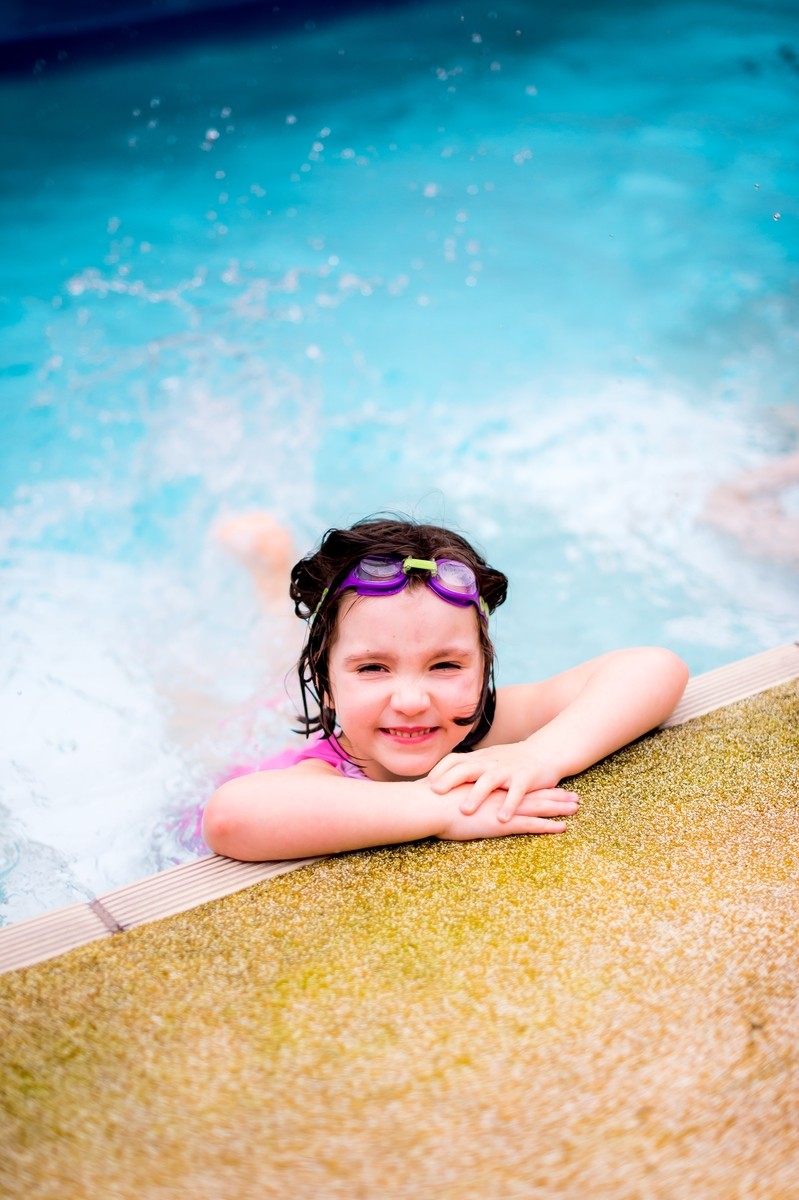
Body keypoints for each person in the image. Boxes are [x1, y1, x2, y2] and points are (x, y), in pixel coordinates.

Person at [202, 515, 689, 861]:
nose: (413, 702)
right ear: (326, 685)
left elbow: (651, 667)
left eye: (445, 666)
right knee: (271, 669)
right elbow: (229, 817)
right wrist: (440, 809)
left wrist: (540, 755)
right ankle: (270, 573)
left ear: (483, 667)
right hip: (241, 747)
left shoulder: (485, 727)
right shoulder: (320, 774)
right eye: (372, 668)